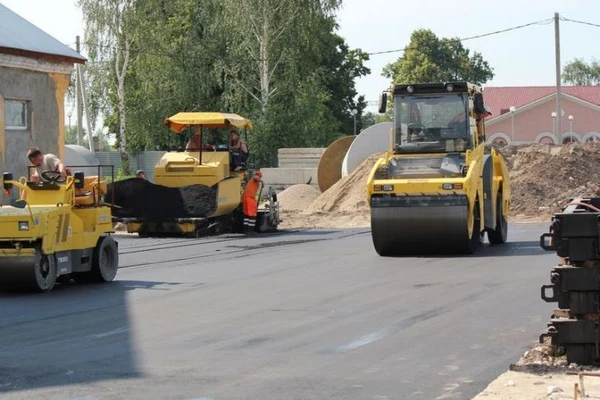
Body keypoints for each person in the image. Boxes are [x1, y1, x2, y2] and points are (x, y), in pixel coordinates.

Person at [242, 170, 262, 234]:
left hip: (245, 198)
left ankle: (245, 230)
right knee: (252, 215)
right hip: (250, 199)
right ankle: (250, 230)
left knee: (247, 215)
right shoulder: (255, 179)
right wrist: (261, 181)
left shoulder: (252, 181)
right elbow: (256, 177)